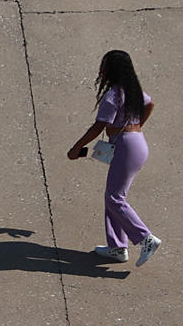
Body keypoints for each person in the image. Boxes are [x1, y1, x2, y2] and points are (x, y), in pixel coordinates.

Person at [66, 50, 162, 265]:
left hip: (126, 144)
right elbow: (150, 104)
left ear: (111, 70)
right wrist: (136, 127)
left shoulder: (113, 95)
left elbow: (99, 125)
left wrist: (77, 147)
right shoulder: (132, 90)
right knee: (114, 196)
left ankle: (146, 238)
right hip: (136, 142)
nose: (101, 70)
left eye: (104, 66)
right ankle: (118, 247)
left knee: (114, 198)